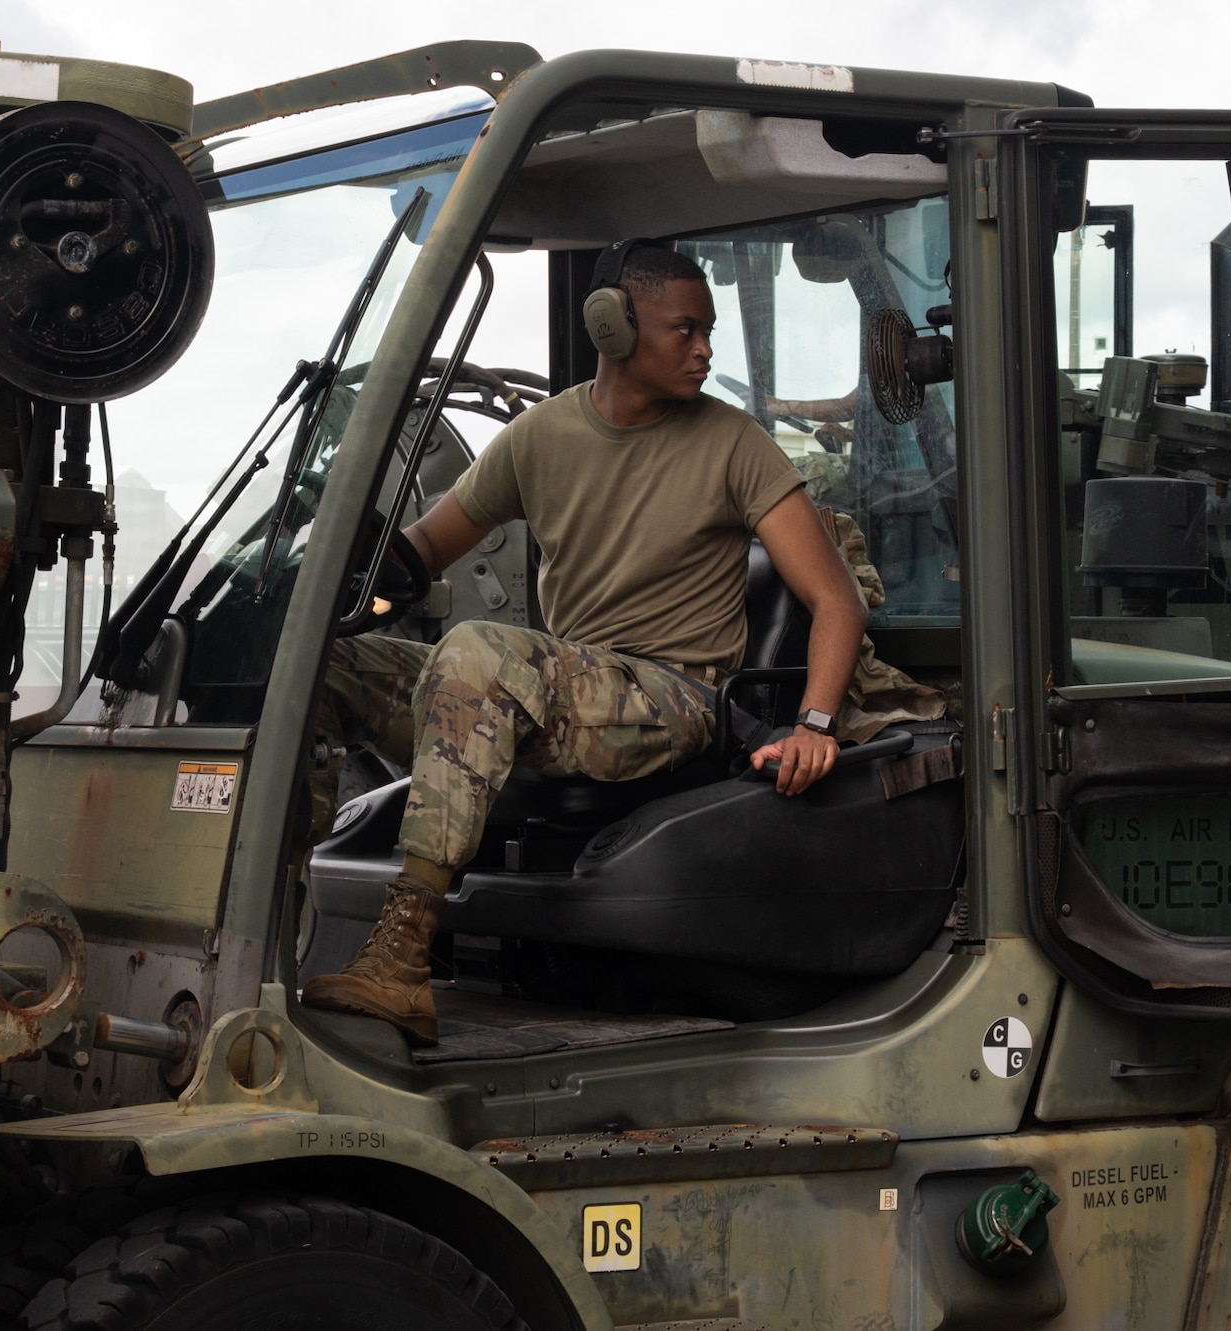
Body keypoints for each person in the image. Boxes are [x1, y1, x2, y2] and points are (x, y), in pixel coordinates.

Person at [300, 240, 867, 1045]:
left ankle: (398, 960)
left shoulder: (732, 443)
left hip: (674, 700)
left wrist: (814, 723)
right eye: (687, 330)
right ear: (613, 325)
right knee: (320, 669)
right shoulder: (541, 437)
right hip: (556, 689)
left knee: (479, 652)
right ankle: (283, 923)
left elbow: (835, 597)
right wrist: (349, 546)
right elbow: (420, 554)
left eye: (708, 330)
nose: (707, 349)